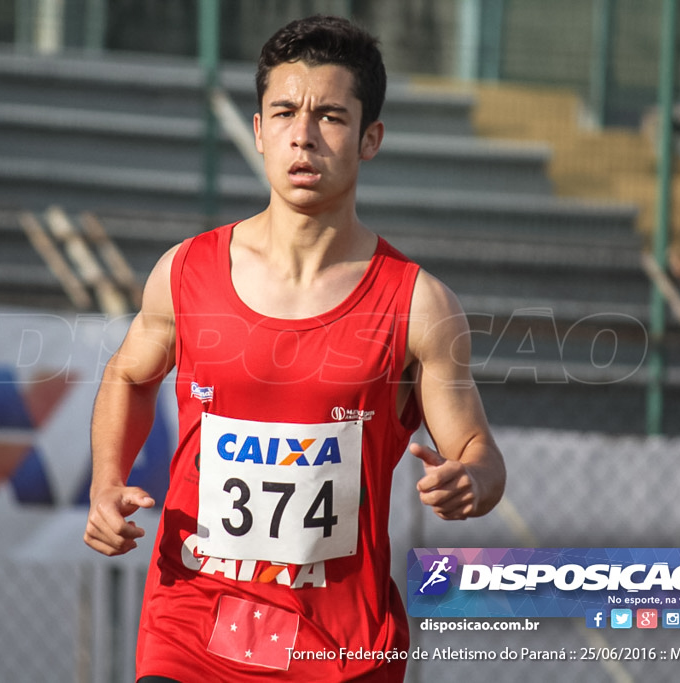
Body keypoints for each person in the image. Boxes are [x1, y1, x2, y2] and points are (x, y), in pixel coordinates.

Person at [84, 15, 505, 682]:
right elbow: (128, 376)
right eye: (283, 111)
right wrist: (106, 480)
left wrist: (471, 482)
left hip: (339, 650)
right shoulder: (184, 272)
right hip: (190, 628)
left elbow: (479, 453)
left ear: (371, 138)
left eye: (331, 116)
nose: (303, 134)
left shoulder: (419, 304)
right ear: (257, 130)